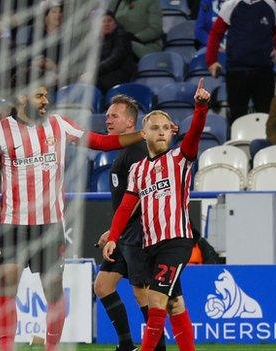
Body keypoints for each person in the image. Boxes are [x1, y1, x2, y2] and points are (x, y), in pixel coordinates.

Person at [0, 72, 149, 351]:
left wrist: (140, 135)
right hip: (13, 224)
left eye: (46, 95)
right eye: (40, 95)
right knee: (6, 286)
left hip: (49, 225)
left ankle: (51, 347)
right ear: (22, 97)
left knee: (54, 291)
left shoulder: (58, 125)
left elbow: (98, 142)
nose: (46, 100)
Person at [103, 78, 211, 351]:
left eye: (166, 128)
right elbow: (127, 206)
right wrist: (114, 236)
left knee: (156, 299)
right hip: (151, 245)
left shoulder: (180, 158)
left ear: (172, 133)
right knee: (175, 304)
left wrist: (200, 108)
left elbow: (196, 133)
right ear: (144, 133)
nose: (161, 132)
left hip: (176, 241)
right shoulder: (139, 170)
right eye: (155, 128)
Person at [93, 95, 167, 351]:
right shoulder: (125, 151)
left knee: (142, 291)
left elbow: (140, 194)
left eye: (114, 116)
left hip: (139, 232)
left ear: (130, 122)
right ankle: (125, 345)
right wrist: (113, 230)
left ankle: (158, 347)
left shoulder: (137, 150)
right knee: (103, 286)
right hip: (124, 233)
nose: (108, 119)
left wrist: (117, 230)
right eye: (107, 115)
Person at [206, 0, 276, 126]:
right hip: (236, 71)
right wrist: (211, 61)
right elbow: (216, 33)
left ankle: (265, 144)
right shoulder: (231, 5)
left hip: (263, 70)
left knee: (266, 115)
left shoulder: (270, 4)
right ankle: (236, 143)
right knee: (237, 115)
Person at [93, 11, 137, 93]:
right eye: (103, 21)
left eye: (109, 20)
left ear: (115, 24)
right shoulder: (99, 40)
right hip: (104, 74)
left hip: (119, 75)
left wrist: (94, 70)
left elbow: (115, 59)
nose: (106, 24)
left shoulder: (122, 36)